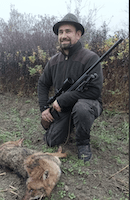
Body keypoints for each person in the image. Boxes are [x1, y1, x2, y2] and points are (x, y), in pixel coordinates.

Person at [38, 13, 103, 162]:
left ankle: (83, 144)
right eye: (61, 32)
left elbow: (94, 91)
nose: (63, 36)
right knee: (51, 141)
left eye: (68, 31)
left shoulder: (90, 58)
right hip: (64, 107)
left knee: (81, 108)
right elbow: (42, 83)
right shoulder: (53, 61)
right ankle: (71, 125)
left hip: (88, 103)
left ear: (78, 34)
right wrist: (44, 109)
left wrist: (63, 99)